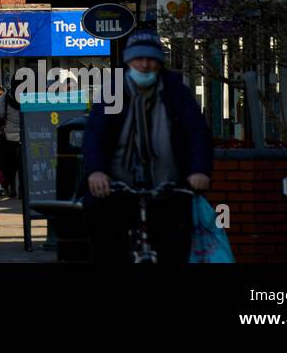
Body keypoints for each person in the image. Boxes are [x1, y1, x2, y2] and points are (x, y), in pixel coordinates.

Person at [83, 31, 213, 263]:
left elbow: (197, 133)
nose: (144, 64)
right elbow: (96, 134)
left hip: (167, 185)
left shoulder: (176, 93)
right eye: (138, 58)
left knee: (175, 246)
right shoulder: (114, 93)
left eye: (151, 59)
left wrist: (199, 170)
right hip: (117, 186)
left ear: (160, 62)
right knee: (103, 238)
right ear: (128, 61)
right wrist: (96, 171)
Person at [0, 82, 21, 199]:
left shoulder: (5, 97)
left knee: (9, 164)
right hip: (25, 135)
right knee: (22, 165)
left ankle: (10, 187)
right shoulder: (27, 96)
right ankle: (22, 189)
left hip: (9, 136)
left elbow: (0, 115)